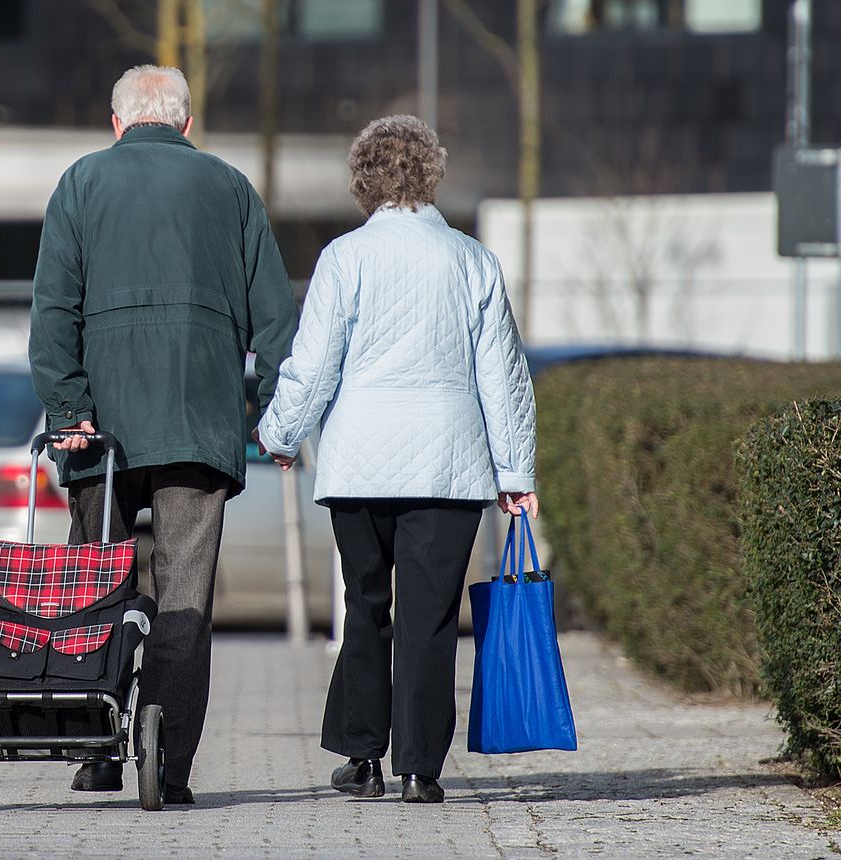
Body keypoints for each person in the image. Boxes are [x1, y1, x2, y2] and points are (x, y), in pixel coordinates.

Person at [30, 65, 297, 804]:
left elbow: (52, 313)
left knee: (97, 589)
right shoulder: (231, 189)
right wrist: (273, 415)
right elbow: (277, 319)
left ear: (117, 123)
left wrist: (67, 408)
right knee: (185, 599)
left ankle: (97, 751)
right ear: (185, 126)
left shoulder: (81, 184)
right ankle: (168, 767)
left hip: (99, 436)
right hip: (197, 426)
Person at [257, 115, 538, 804]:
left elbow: (315, 361)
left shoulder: (345, 258)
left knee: (367, 605)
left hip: (360, 462)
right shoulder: (472, 259)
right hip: (449, 463)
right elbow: (502, 375)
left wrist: (281, 434)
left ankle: (363, 758)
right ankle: (419, 767)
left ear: (363, 179)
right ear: (431, 173)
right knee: (430, 616)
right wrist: (515, 474)